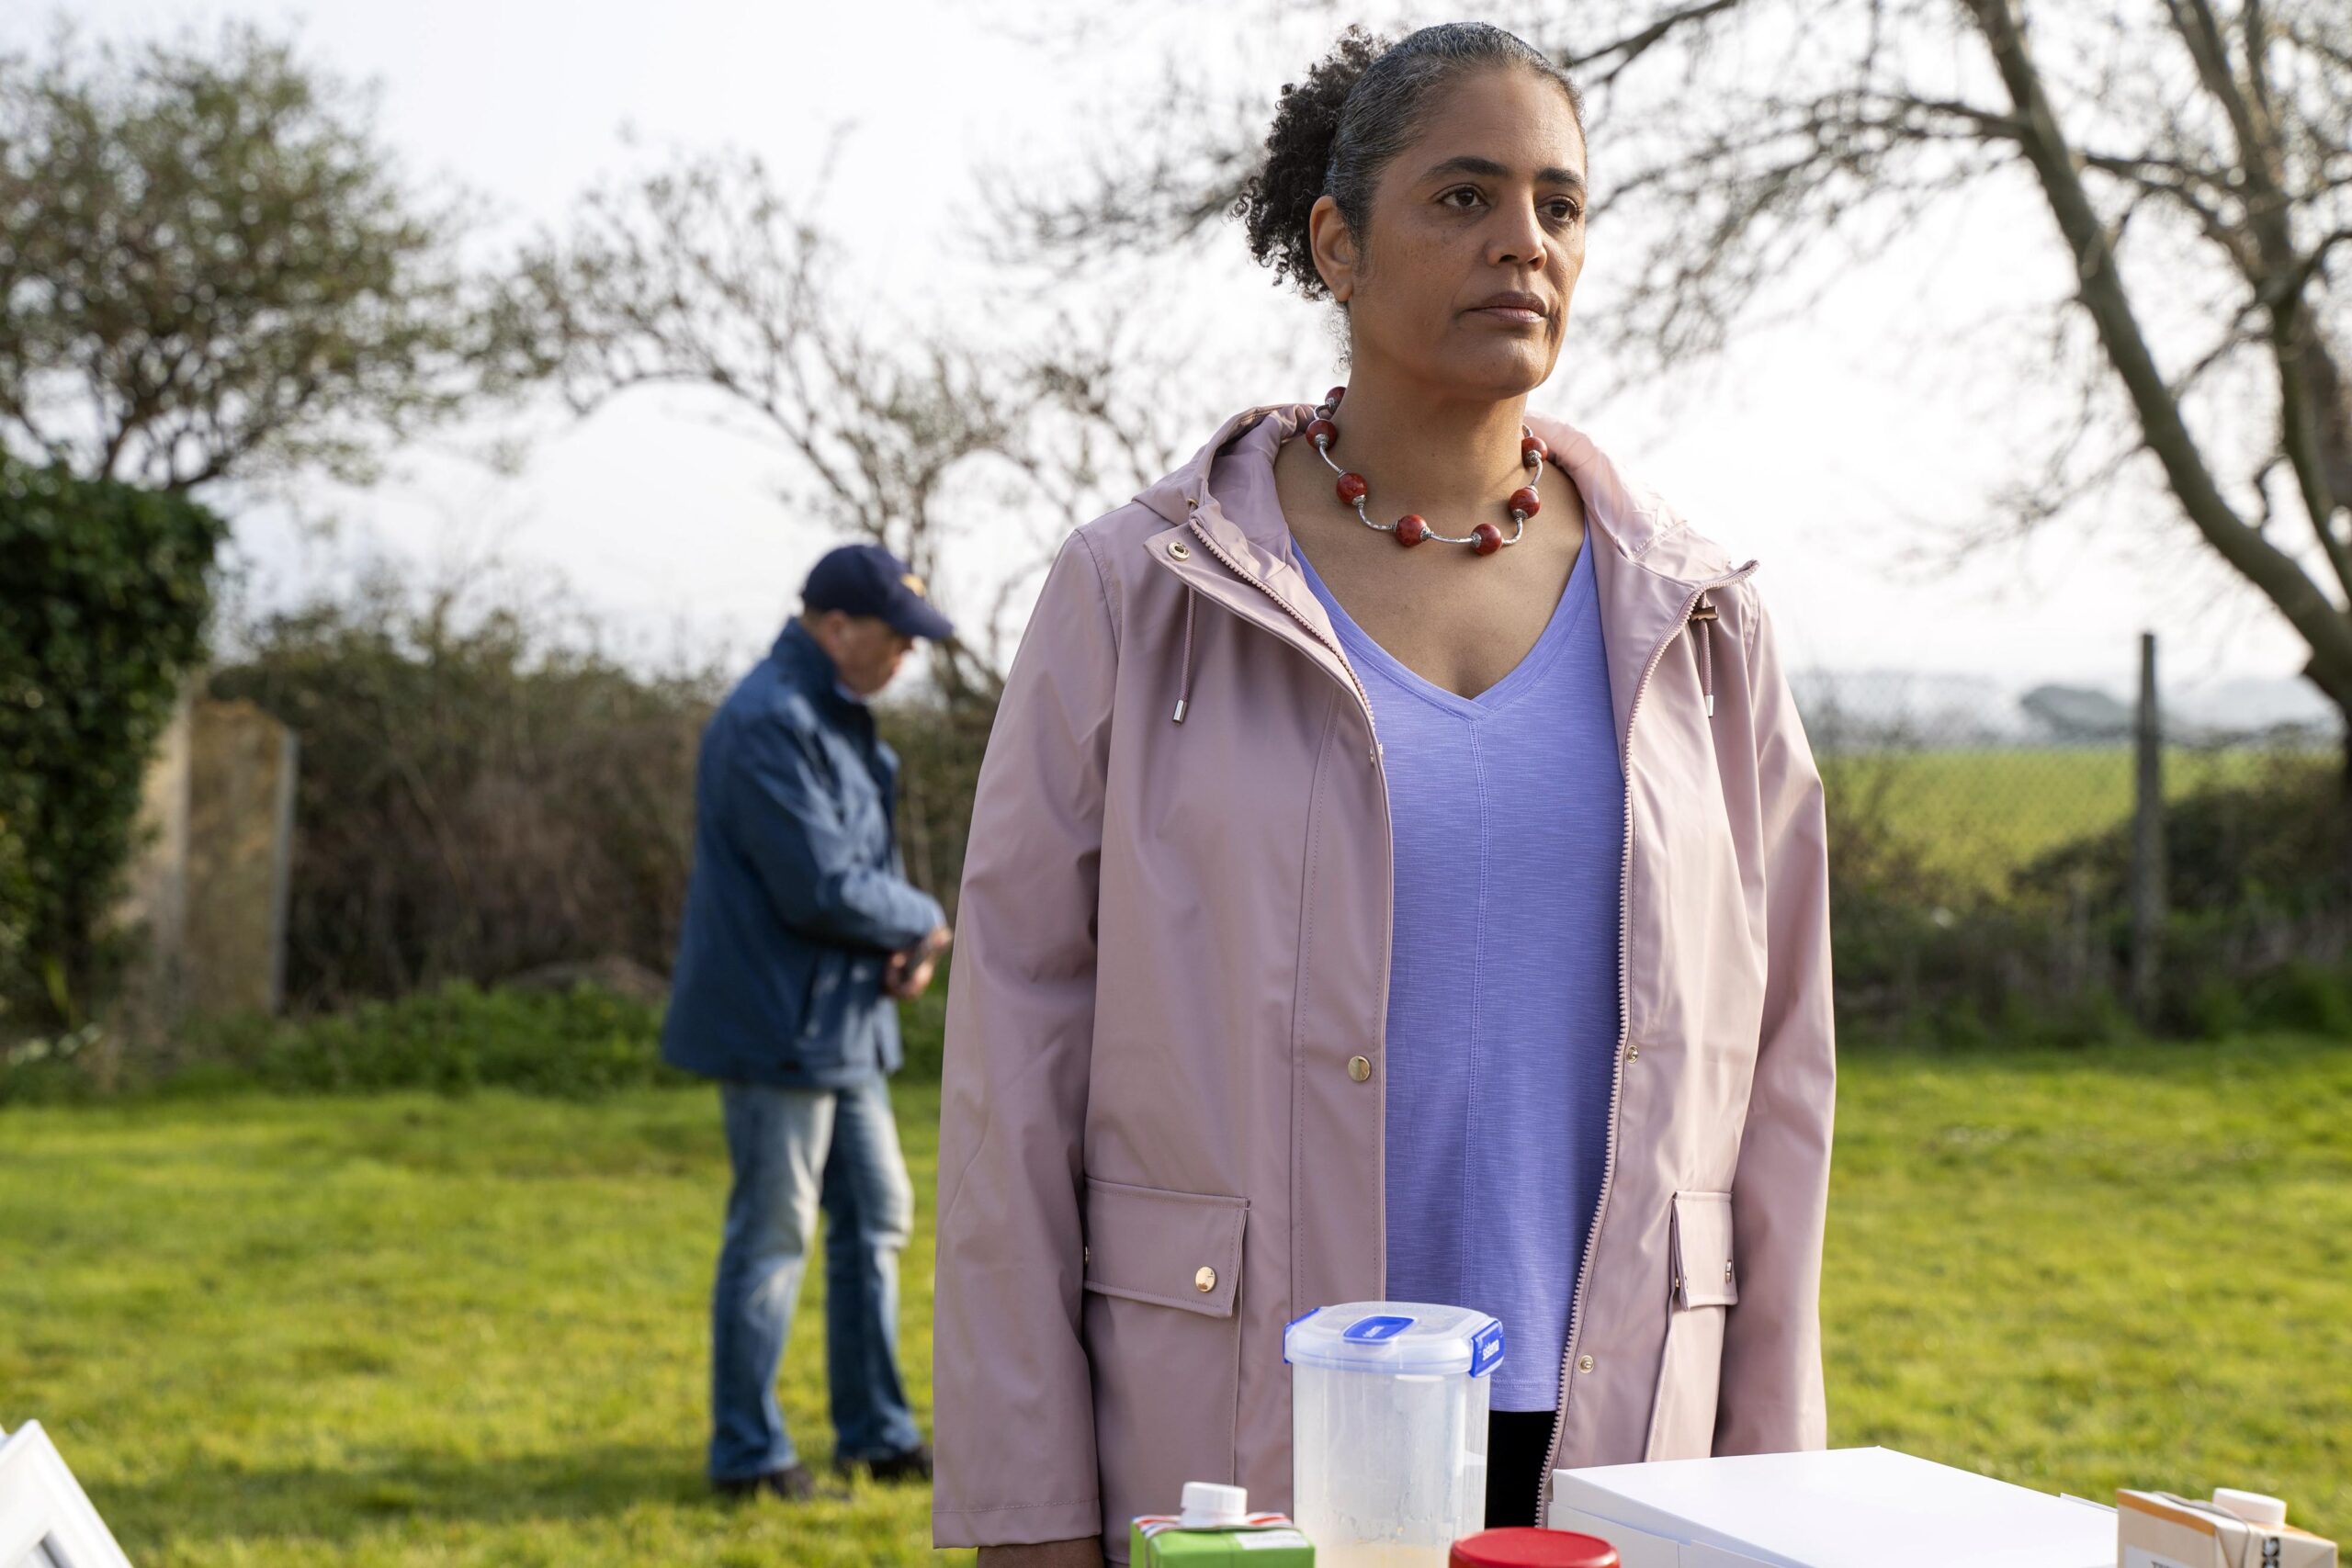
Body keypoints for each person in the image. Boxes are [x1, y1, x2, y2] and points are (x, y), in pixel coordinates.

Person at [932, 20, 1836, 1567]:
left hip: (1617, 1439)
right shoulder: (1134, 595)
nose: (1523, 244)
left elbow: (1780, 1098)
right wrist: (1022, 1512)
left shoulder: (1700, 621)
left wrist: (1775, 1491)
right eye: (1465, 197)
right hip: (1245, 1430)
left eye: (1560, 203)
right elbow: (1011, 1078)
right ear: (1337, 242)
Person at [663, 541, 956, 1503]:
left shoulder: (828, 717)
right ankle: (747, 1459)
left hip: (840, 1023)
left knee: (875, 1219)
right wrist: (920, 919)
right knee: (775, 1235)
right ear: (835, 628)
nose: (904, 660)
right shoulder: (768, 722)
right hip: (776, 1025)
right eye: (894, 641)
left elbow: (839, 883)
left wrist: (895, 944)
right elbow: (820, 885)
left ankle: (875, 1436)